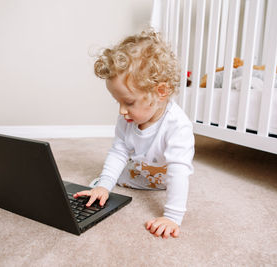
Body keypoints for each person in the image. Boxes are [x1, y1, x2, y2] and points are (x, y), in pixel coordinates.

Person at [73, 29, 194, 239]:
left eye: (128, 102)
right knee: (105, 178)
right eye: (117, 102)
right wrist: (103, 186)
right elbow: (119, 151)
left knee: (178, 176)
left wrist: (172, 217)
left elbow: (178, 170)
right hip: (136, 171)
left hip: (162, 179)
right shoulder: (127, 118)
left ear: (160, 92)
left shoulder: (178, 126)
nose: (121, 111)